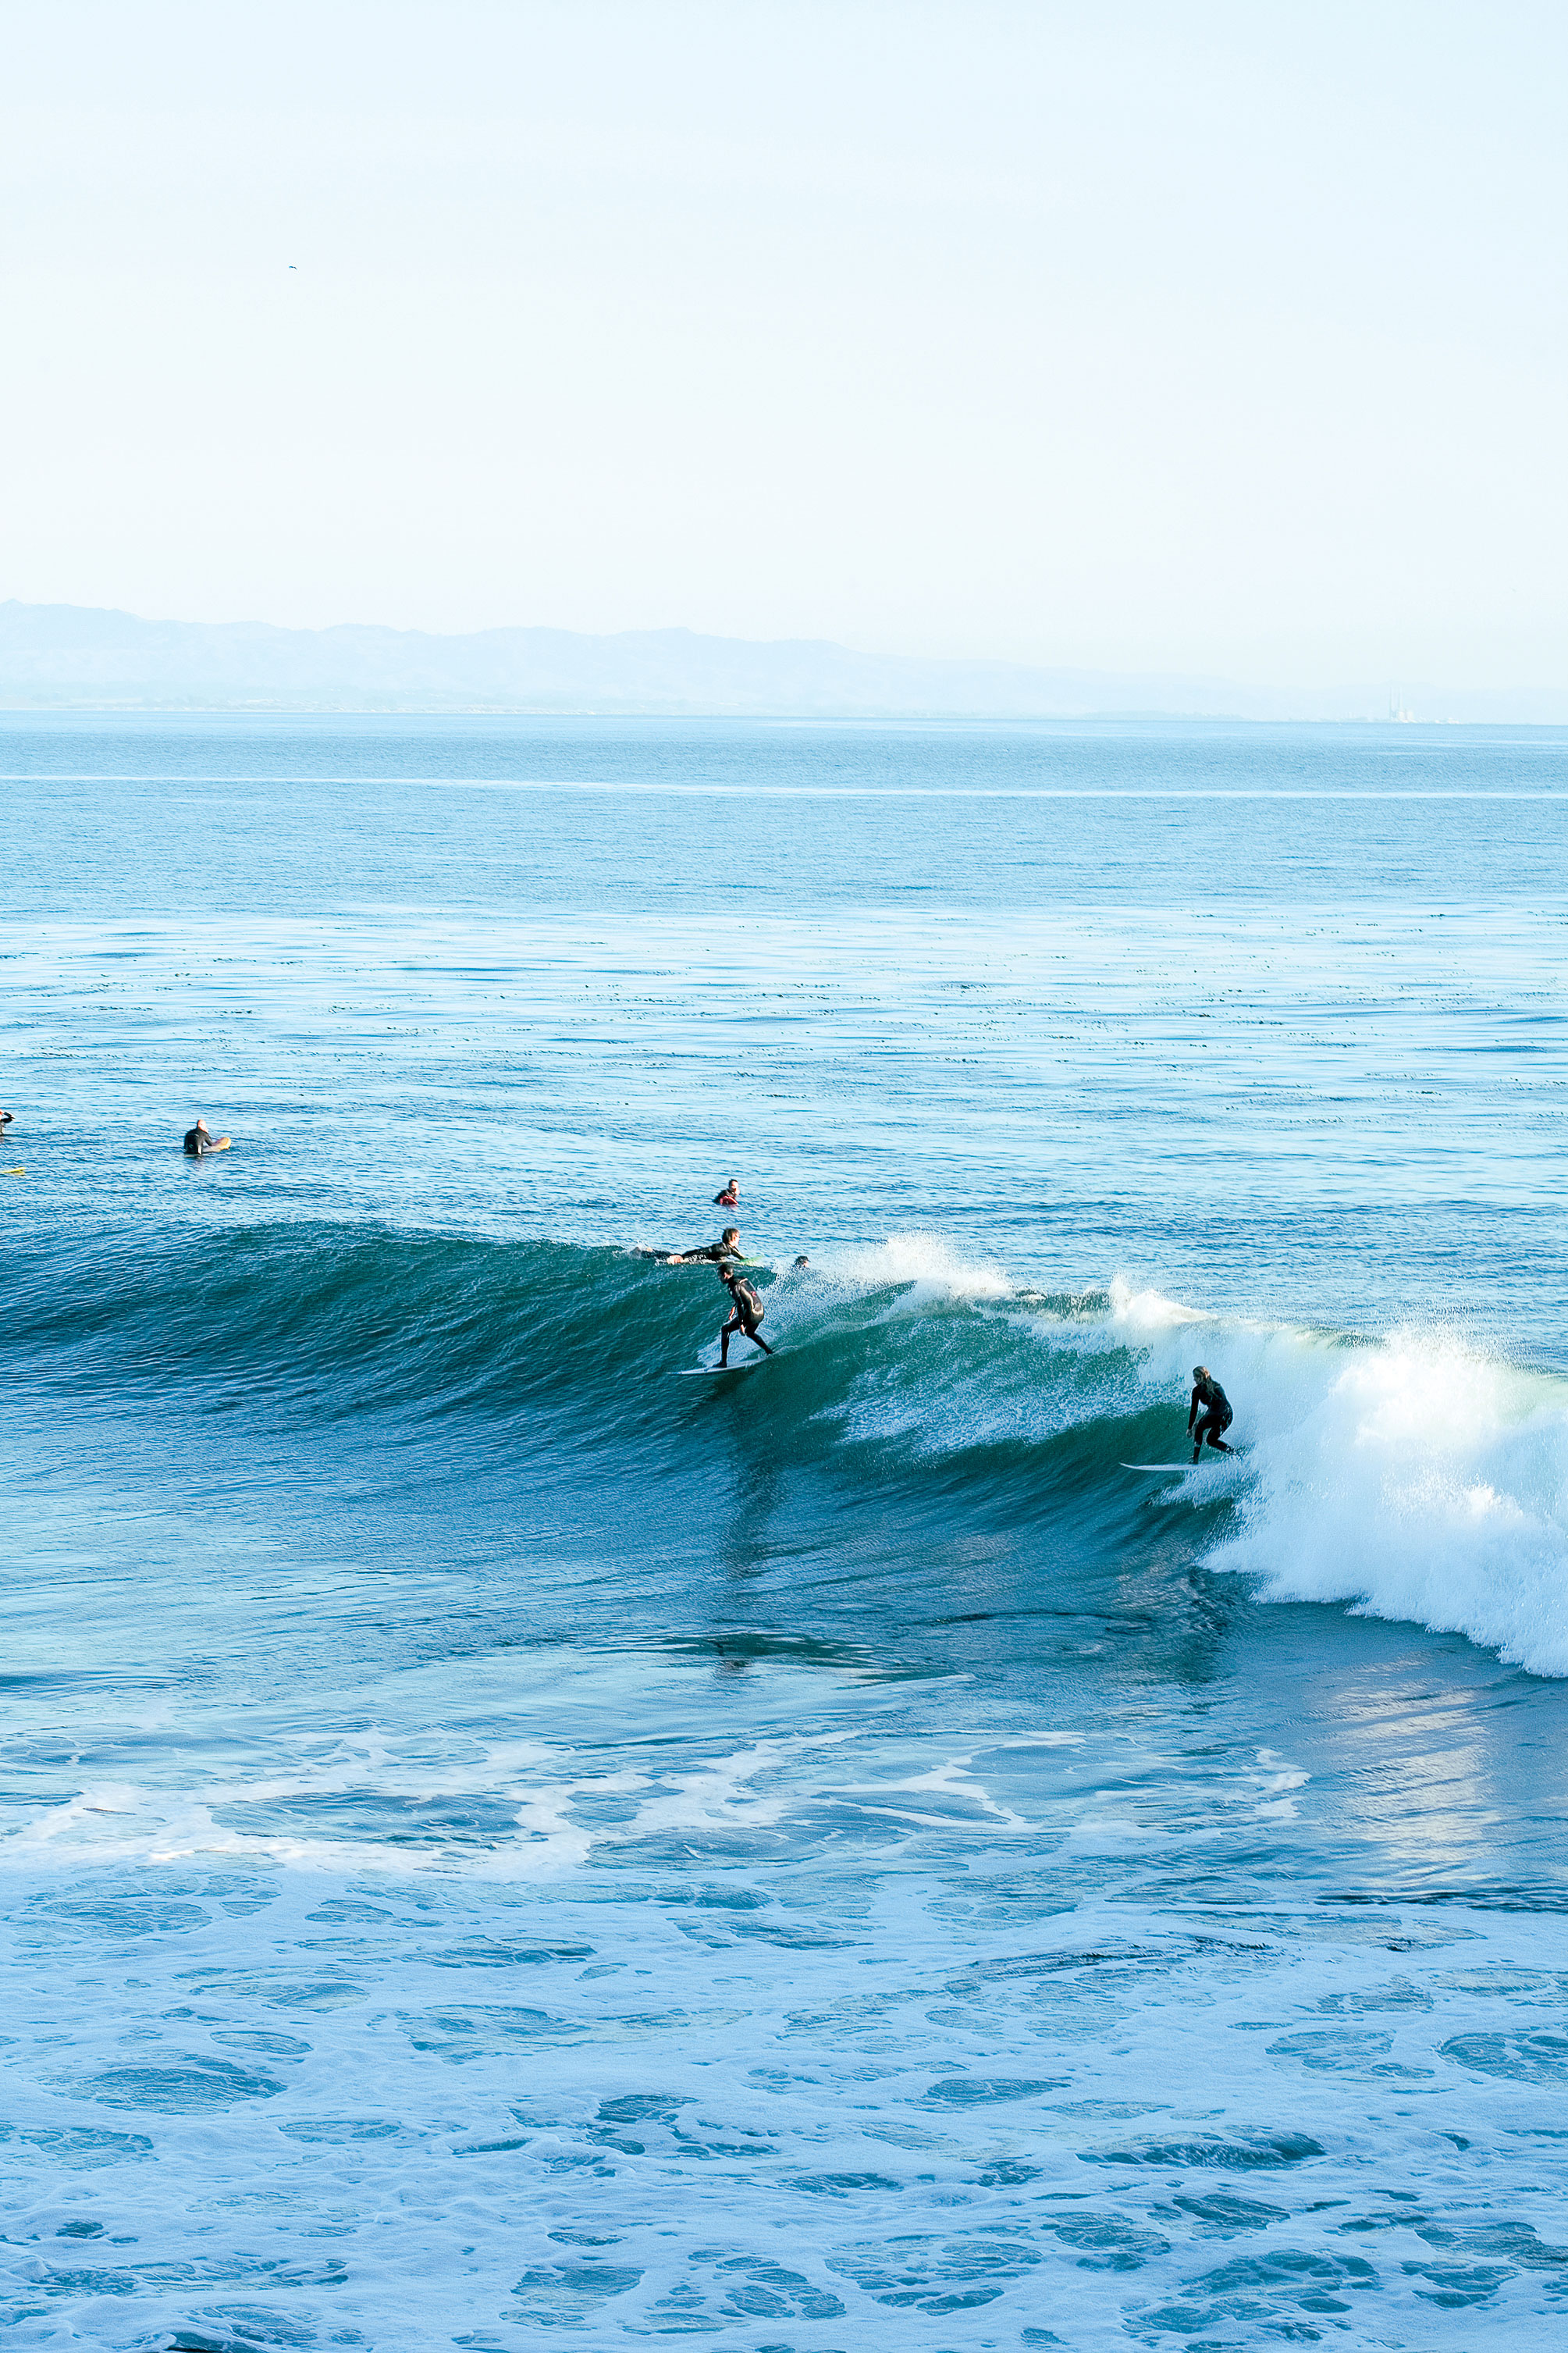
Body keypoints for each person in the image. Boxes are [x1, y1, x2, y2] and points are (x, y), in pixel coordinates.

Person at [718, 1260, 773, 1365]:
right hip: (760, 1312)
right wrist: (733, 1307)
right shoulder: (743, 1279)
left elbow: (740, 1304)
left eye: (720, 1276)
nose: (719, 1279)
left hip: (751, 1315)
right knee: (750, 1332)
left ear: (725, 1275)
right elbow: (747, 1295)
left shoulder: (732, 1286)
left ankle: (723, 1362)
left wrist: (741, 1324)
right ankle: (769, 1351)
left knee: (725, 1329)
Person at [1189, 1365, 1234, 1461]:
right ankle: (1235, 1453)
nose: (1194, 1380)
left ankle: (1195, 1458)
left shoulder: (1197, 1391)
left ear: (1200, 1377)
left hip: (1218, 1414)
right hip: (1228, 1415)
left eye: (1195, 1377)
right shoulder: (1217, 1385)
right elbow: (1222, 1404)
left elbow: (1194, 1410)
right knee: (1211, 1440)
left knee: (1199, 1428)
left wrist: (1190, 1428)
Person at [656, 1226, 743, 1265]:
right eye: (739, 1237)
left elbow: (740, 1257)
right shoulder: (720, 1248)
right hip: (696, 1258)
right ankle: (654, 1253)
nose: (739, 1239)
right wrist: (683, 1257)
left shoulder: (730, 1248)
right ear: (734, 1237)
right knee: (667, 1258)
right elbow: (701, 1251)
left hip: (705, 1259)